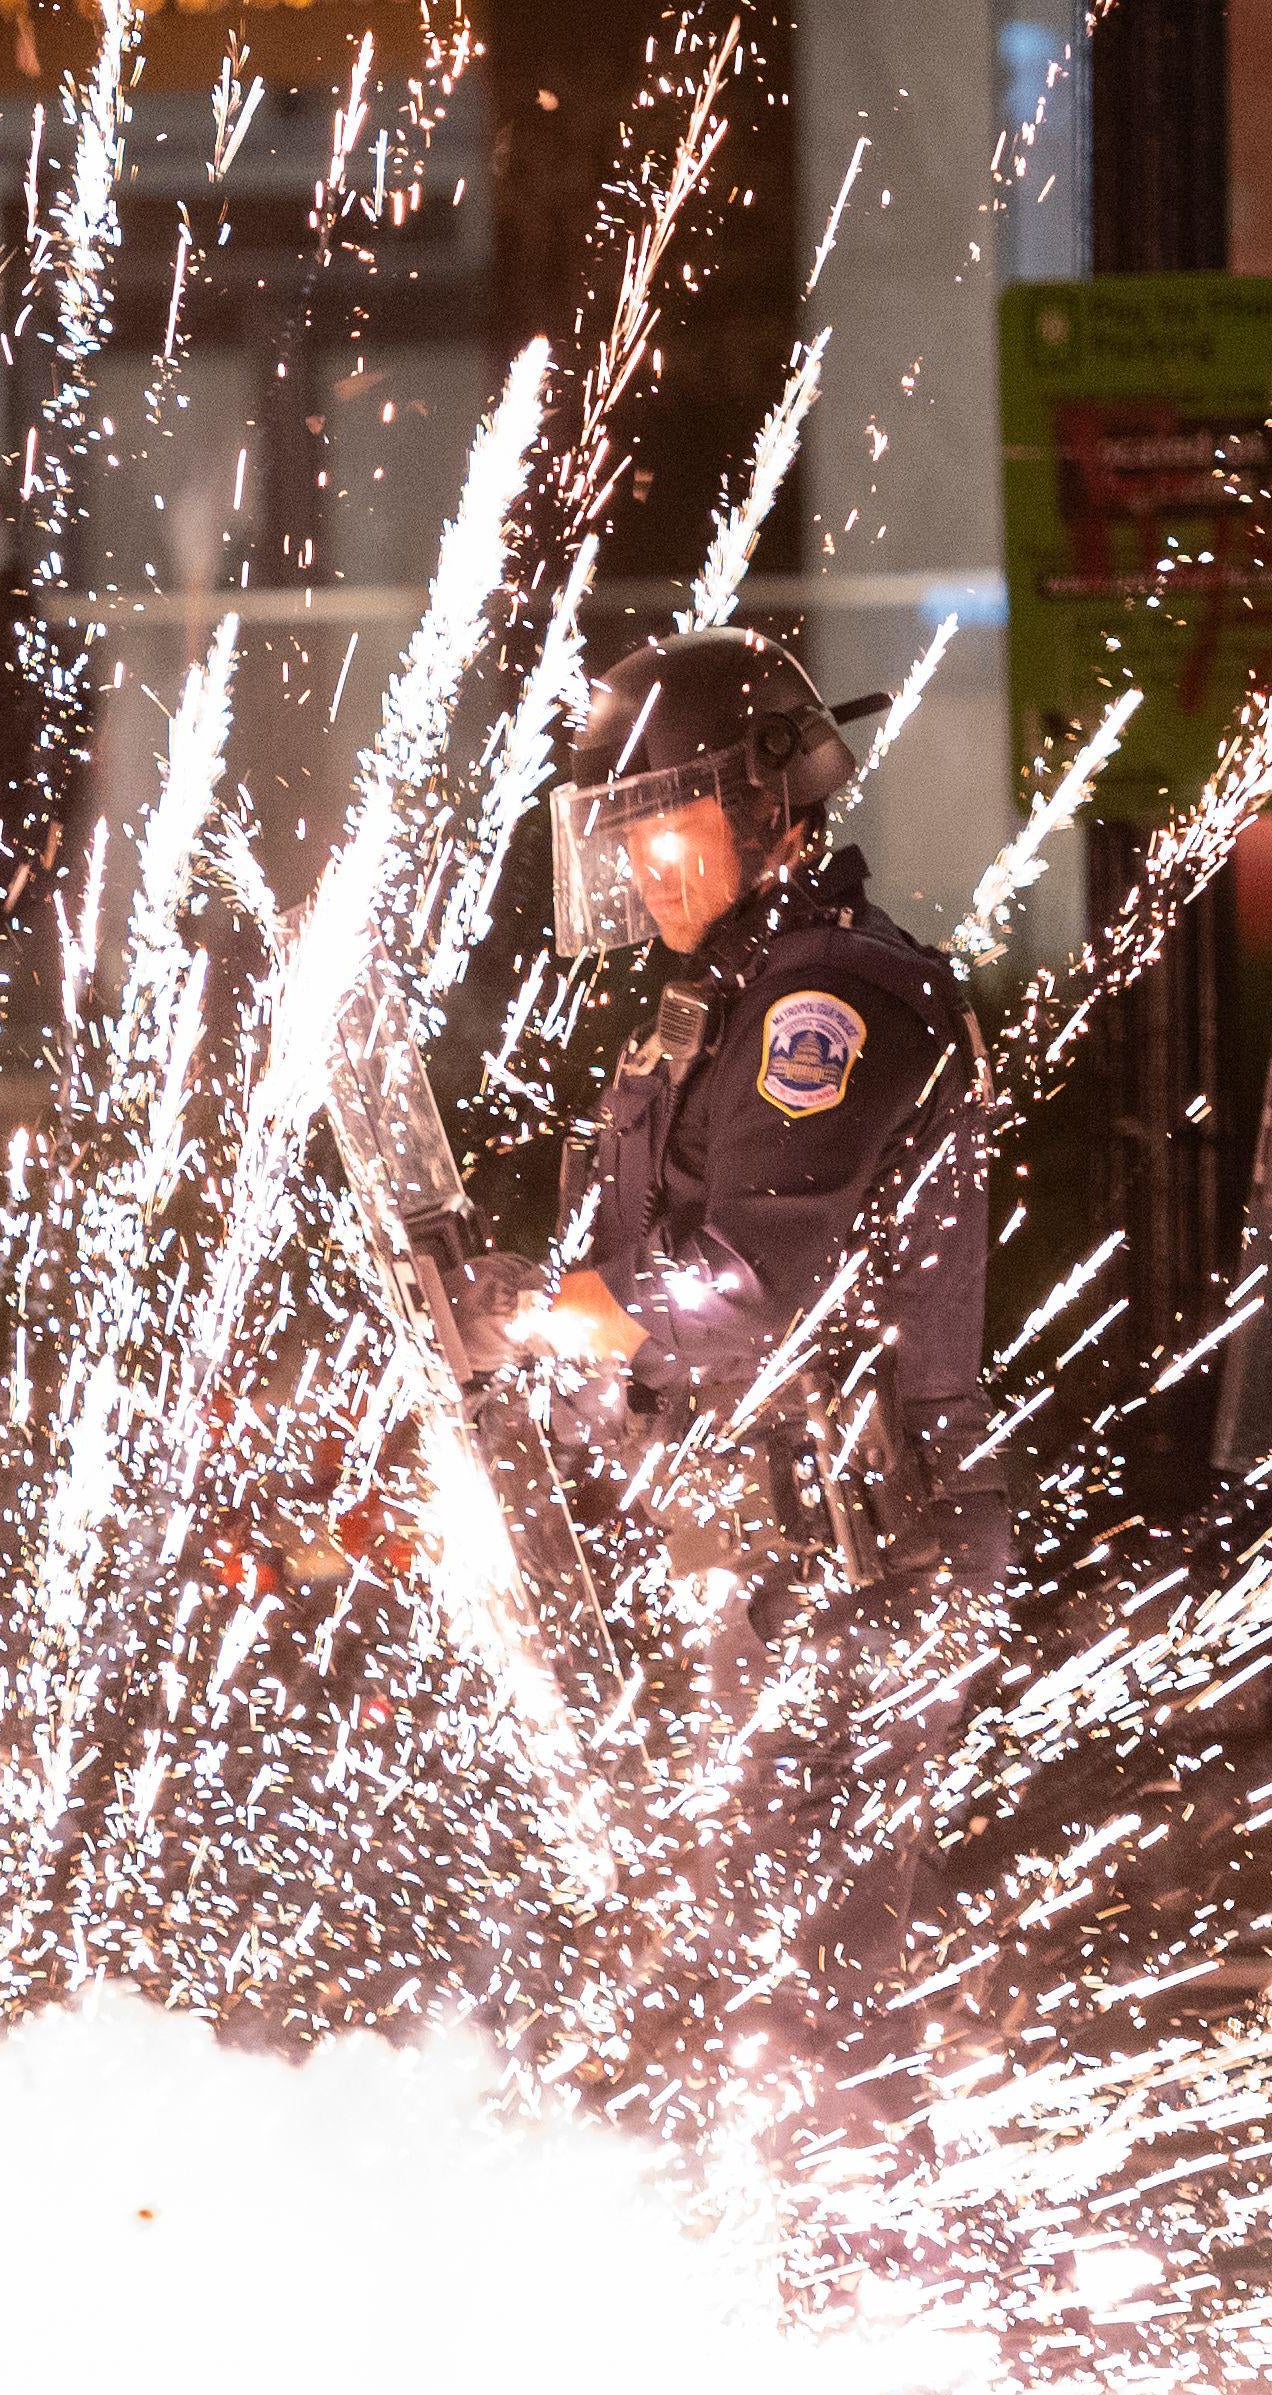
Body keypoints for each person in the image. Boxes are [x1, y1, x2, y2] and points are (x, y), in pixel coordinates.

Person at [474, 626, 1006, 2090]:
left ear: (768, 803)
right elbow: (641, 1296)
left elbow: (751, 1291)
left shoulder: (822, 1004)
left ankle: (886, 2286)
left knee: (811, 1988)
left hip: (857, 1543)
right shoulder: (708, 1005)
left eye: (669, 816)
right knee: (743, 1970)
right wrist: (539, 1351)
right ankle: (817, 2259)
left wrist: (540, 1311)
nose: (642, 858)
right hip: (769, 1537)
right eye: (622, 827)